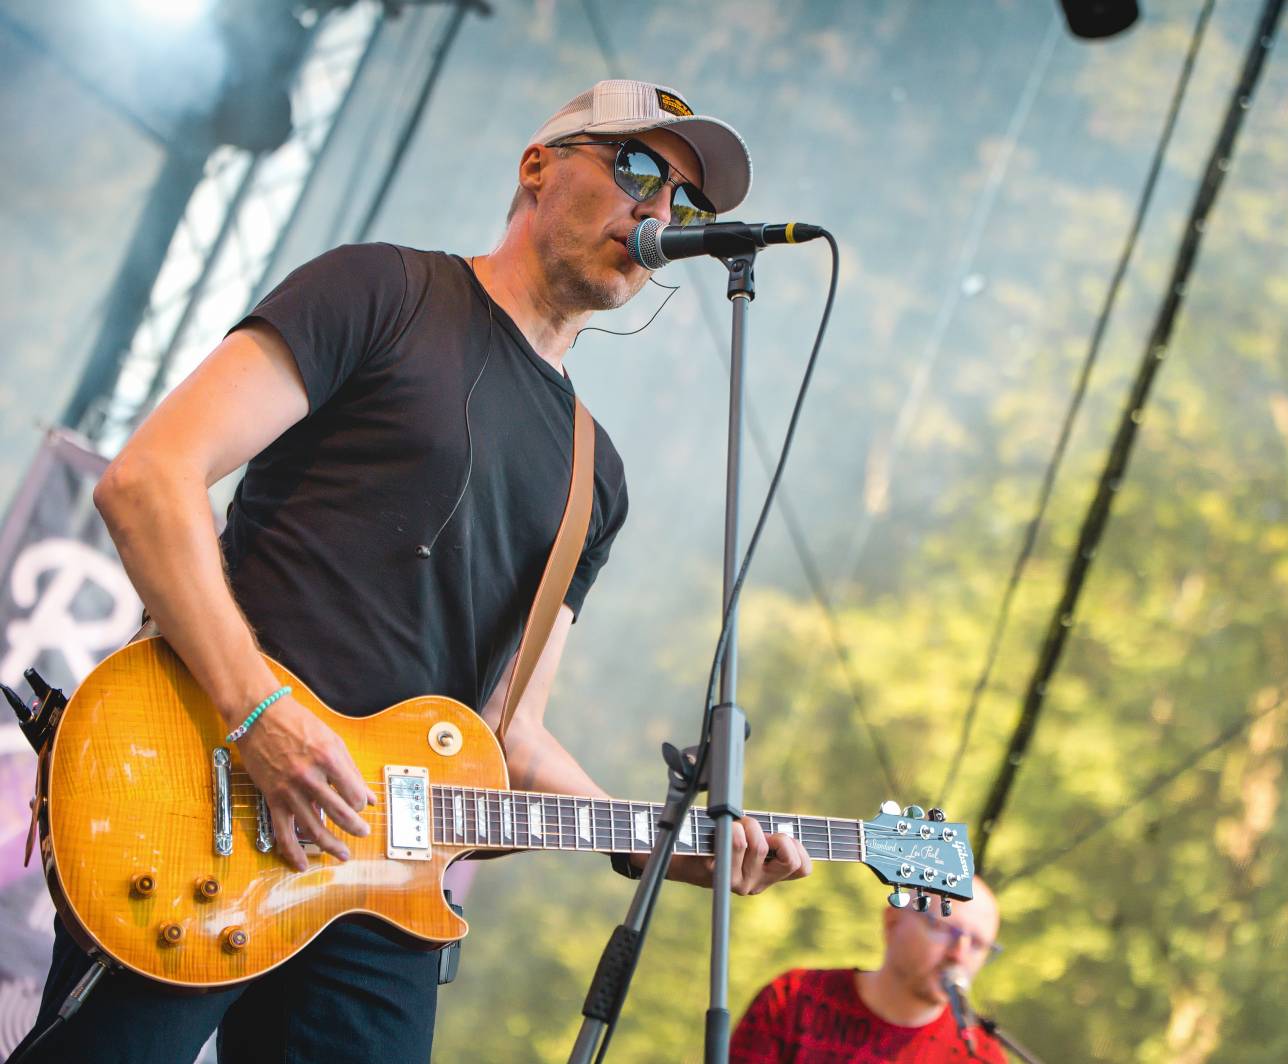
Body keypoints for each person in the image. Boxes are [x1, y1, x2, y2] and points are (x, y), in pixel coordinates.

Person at [10, 78, 811, 1064]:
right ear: (538, 167)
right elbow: (148, 480)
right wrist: (262, 717)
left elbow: (509, 733)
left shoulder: (592, 477)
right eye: (637, 168)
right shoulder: (378, 291)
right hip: (203, 796)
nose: (660, 210)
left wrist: (653, 840)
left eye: (686, 201)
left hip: (385, 882)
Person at [730, 877, 1008, 1062]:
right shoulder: (794, 999)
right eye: (944, 929)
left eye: (978, 944)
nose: (958, 954)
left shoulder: (982, 1055)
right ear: (893, 921)